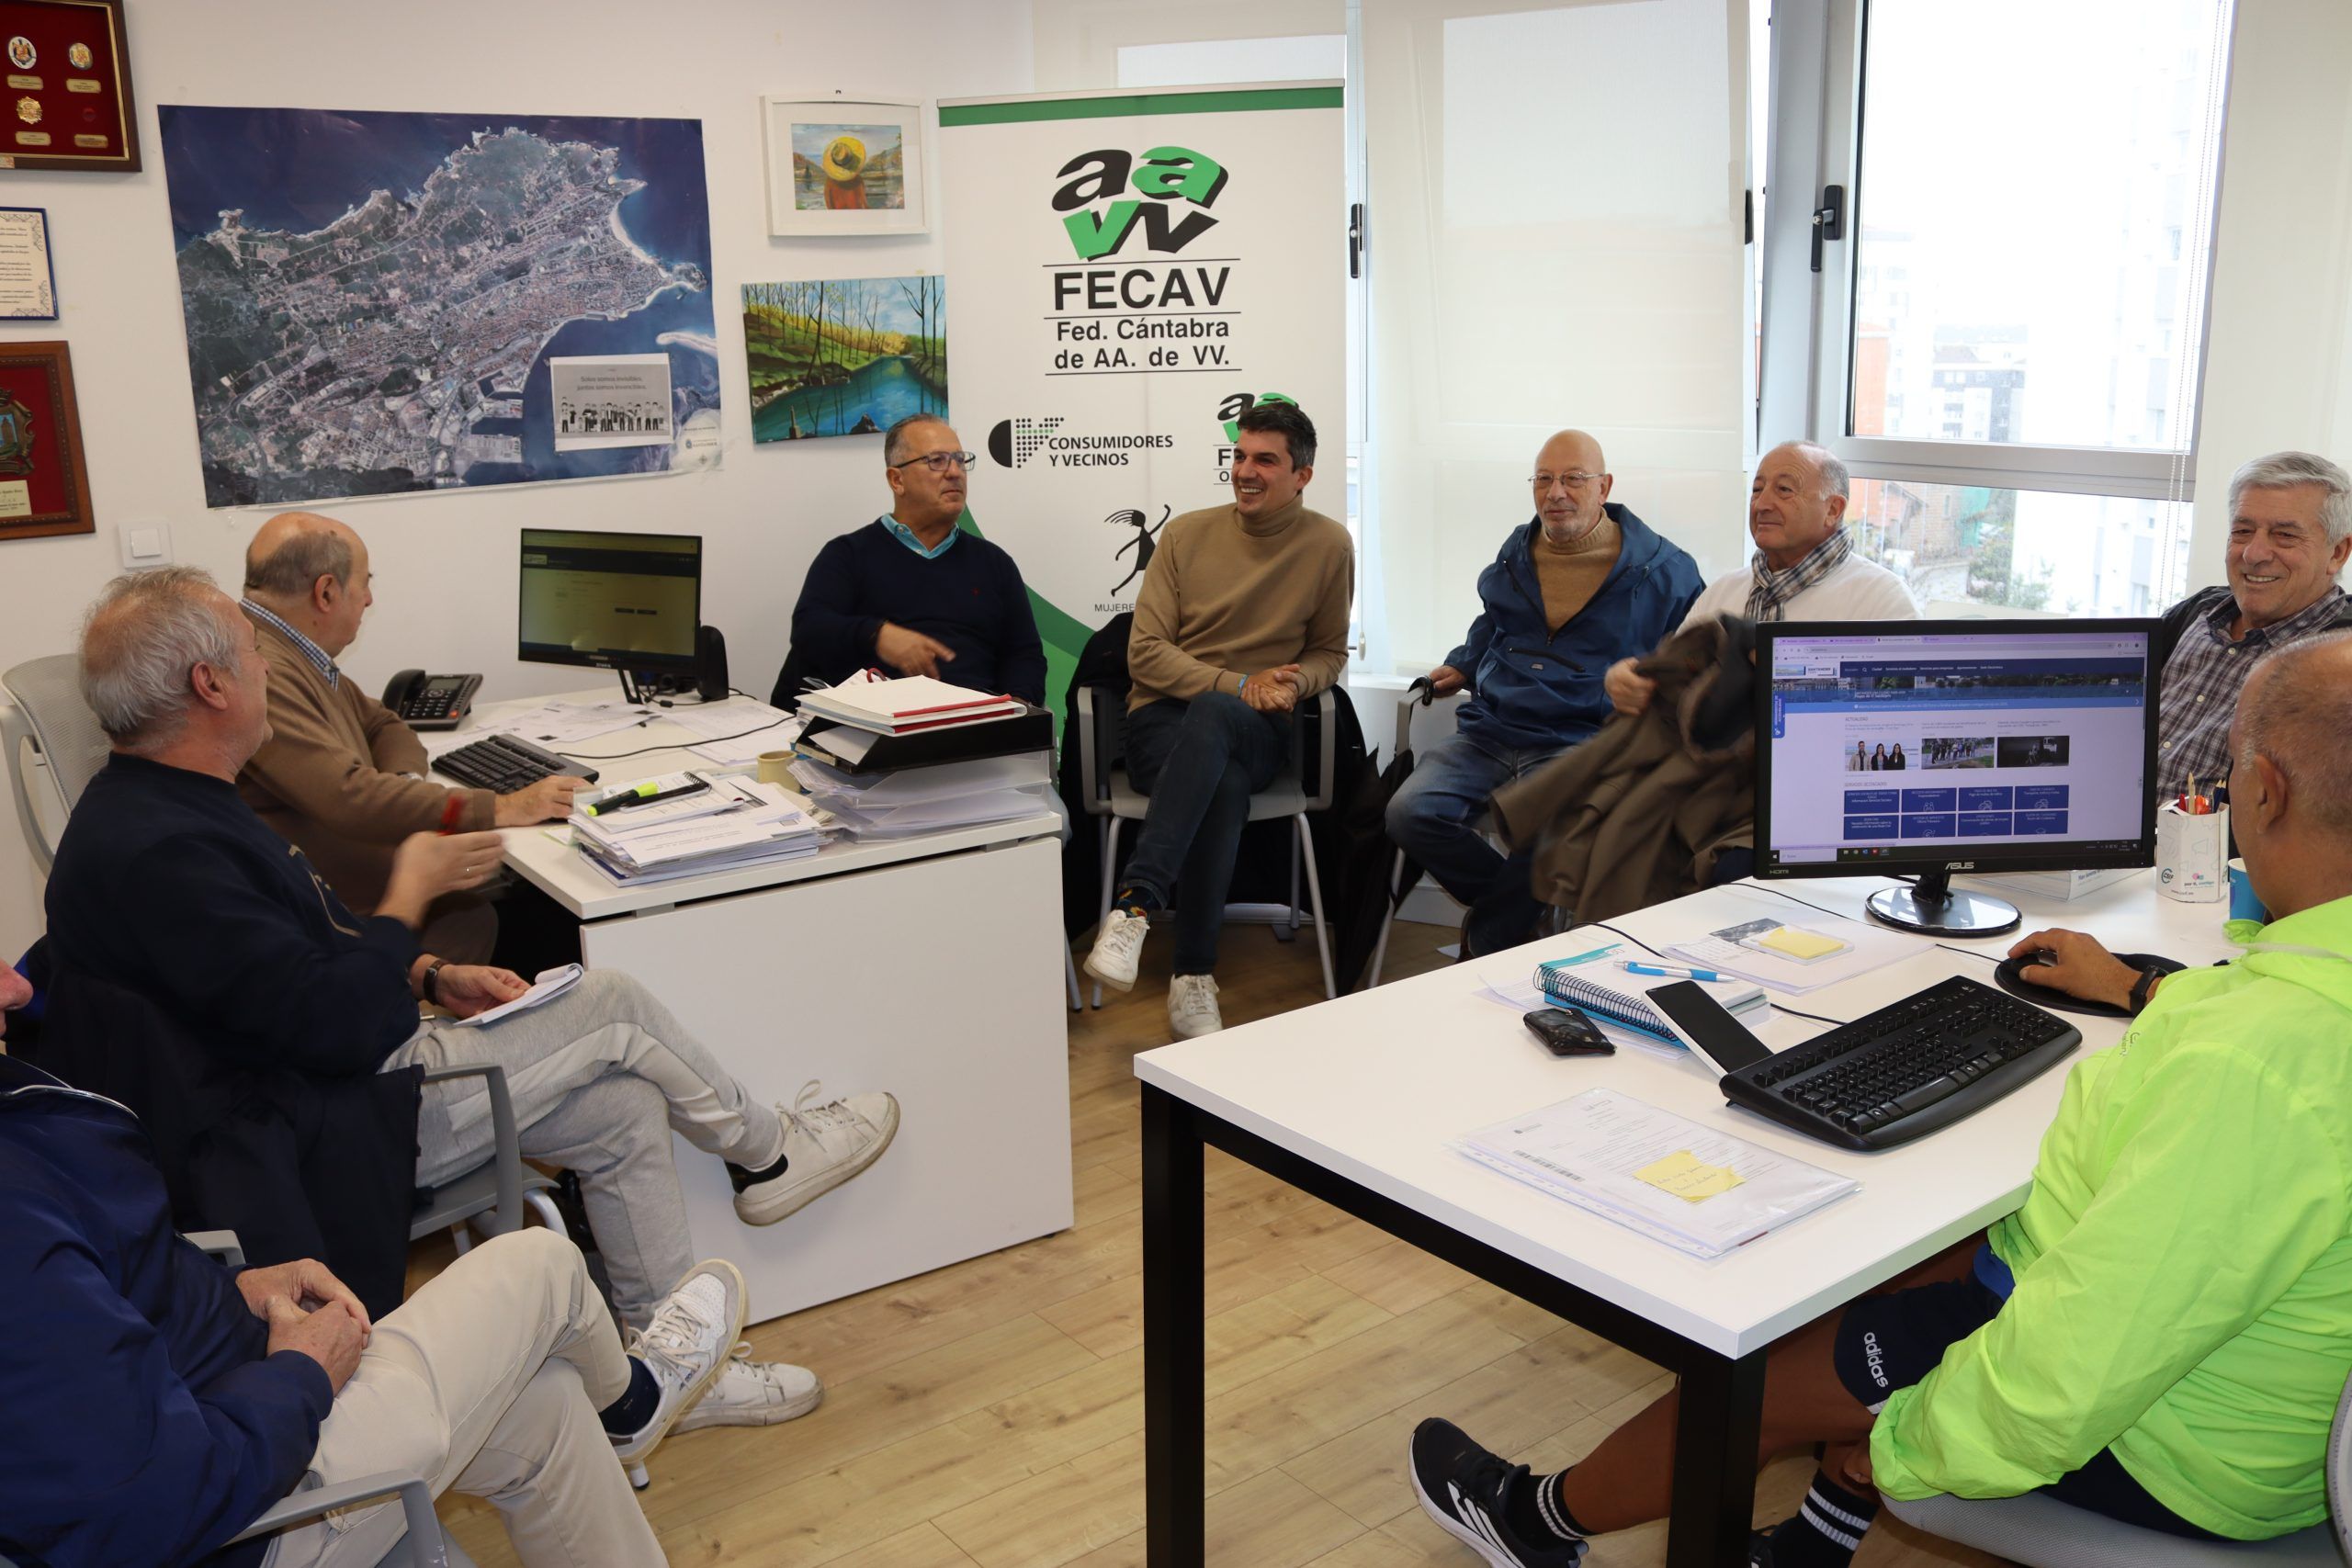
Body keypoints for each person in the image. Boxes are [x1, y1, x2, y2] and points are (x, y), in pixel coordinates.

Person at [1408, 632, 2352, 1568]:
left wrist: (1904, 1449)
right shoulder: (2302, 993)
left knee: (1763, 1377)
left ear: (2265, 791)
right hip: (2267, 1397)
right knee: (1908, 1269)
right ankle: (1814, 1545)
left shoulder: (2252, 1068)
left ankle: (1532, 1521)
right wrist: (2137, 986)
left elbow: (2077, 1366)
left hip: (2181, 1451)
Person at [43, 567, 900, 1435]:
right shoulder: (165, 853)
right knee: (612, 1002)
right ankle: (769, 1154)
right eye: (250, 652)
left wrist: (425, 972)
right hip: (325, 1124)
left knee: (624, 1106)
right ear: (210, 684)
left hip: (316, 1087)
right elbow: (335, 1025)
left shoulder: (159, 809)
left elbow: (281, 964)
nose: (267, 666)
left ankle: (659, 1382)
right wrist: (407, 896)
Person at [0, 958, 745, 1568]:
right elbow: (146, 1502)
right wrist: (301, 1375)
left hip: (228, 1405)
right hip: (254, 1513)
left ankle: (621, 1407)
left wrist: (233, 1286)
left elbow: (98, 1294)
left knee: (547, 1402)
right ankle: (634, 1399)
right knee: (544, 1263)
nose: (15, 986)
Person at [1081, 401, 1352, 1038]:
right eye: (1239, 456)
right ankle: (1193, 976)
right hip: (1162, 722)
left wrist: (1293, 683)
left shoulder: (1328, 545)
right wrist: (1237, 684)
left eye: (1265, 460)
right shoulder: (1185, 535)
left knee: (1219, 726)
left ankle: (1134, 906)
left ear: (1302, 476)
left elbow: (1329, 653)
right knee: (1221, 777)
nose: (1245, 471)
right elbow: (1145, 653)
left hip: (1260, 729)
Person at [1385, 430, 1703, 958]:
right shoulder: (1518, 549)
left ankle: (1490, 937)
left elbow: (1688, 664)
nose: (1556, 493)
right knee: (1408, 813)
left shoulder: (1666, 571)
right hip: (1491, 730)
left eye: (1573, 479)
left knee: (1557, 831)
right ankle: (1516, 917)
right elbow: (1495, 622)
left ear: (1604, 487)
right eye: (1544, 479)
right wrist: (1464, 663)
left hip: (1579, 740)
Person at [234, 511, 588, 964]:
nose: (368, 599)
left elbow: (384, 724)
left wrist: (402, 785)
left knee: (514, 892)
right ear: (326, 592)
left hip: (357, 879)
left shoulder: (291, 649)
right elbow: (348, 797)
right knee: (503, 910)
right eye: (365, 583)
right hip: (338, 914)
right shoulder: (261, 669)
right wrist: (504, 806)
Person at [1604, 442, 1918, 718]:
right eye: (1757, 490)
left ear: (1833, 510)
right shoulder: (1724, 591)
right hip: (1713, 764)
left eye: (1784, 490)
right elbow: (1671, 681)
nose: (1762, 504)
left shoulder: (1881, 598)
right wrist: (1628, 681)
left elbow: (1906, 707)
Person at [788, 413, 1048, 705]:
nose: (955, 472)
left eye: (960, 460)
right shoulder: (848, 555)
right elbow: (809, 630)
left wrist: (1017, 706)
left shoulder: (994, 563)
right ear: (897, 480)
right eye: (937, 461)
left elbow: (1024, 654)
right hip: (877, 721)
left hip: (976, 721)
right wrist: (877, 634)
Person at [2154, 450, 2352, 795]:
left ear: (2337, 552)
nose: (2253, 553)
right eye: (2242, 531)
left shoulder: (2340, 660)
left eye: (2285, 535)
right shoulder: (2194, 615)